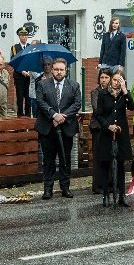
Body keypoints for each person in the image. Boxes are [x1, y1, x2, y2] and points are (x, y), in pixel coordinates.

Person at [32, 57, 80, 200]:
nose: (59, 72)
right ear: (52, 70)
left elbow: (77, 104)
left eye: (61, 70)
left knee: (65, 159)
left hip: (66, 128)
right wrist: (53, 115)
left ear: (66, 71)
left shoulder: (74, 85)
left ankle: (65, 188)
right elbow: (40, 102)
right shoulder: (42, 84)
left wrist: (62, 116)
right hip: (48, 128)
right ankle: (48, 189)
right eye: (56, 69)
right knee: (48, 160)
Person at [92, 70, 134, 206]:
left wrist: (125, 90)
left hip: (121, 133)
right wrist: (107, 126)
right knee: (106, 163)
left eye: (120, 80)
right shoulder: (103, 94)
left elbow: (132, 107)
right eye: (115, 80)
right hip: (107, 132)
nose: (117, 82)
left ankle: (121, 196)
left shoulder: (124, 95)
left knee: (121, 164)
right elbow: (98, 114)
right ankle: (106, 195)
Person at [10, 26, 38, 116]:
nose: (24, 37)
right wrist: (22, 71)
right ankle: (20, 116)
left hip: (29, 76)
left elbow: (33, 60)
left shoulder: (30, 47)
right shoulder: (15, 47)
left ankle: (28, 115)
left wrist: (29, 71)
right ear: (19, 36)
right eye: (22, 35)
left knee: (29, 97)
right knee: (20, 97)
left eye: (26, 36)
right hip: (19, 76)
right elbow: (14, 61)